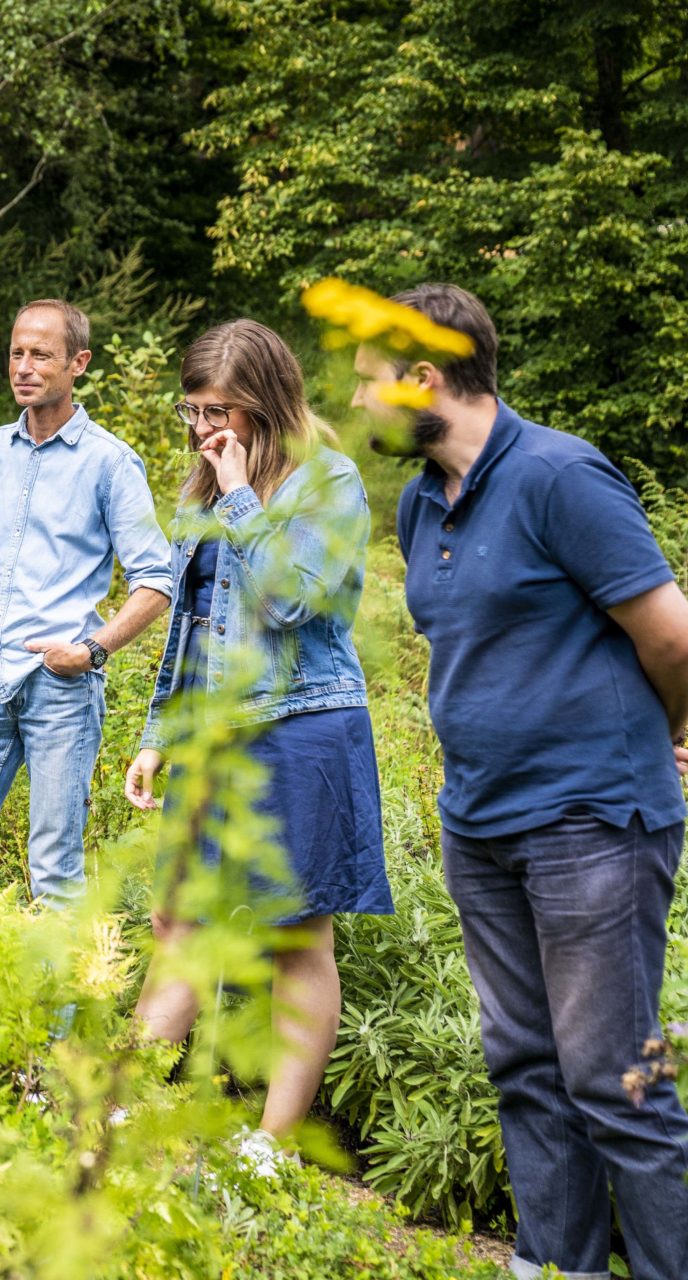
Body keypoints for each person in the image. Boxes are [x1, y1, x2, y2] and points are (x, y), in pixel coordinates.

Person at [360, 283, 688, 1280]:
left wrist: (661, 732)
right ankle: (555, 1265)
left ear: (428, 375)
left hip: (591, 821)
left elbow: (671, 634)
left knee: (617, 1080)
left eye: (376, 377)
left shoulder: (560, 476)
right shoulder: (423, 502)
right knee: (526, 1068)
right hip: (480, 824)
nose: (364, 398)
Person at [124, 319, 393, 1155]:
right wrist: (159, 731)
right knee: (179, 924)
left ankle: (273, 1146)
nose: (204, 431)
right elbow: (191, 629)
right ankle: (117, 1107)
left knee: (295, 935)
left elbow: (290, 603)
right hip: (215, 739)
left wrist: (243, 497)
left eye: (220, 412)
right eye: (193, 411)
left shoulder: (330, 481)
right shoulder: (202, 488)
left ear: (266, 405)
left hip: (303, 730)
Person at [0, 299, 172, 906]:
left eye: (42, 355)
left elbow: (157, 581)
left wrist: (90, 650)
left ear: (78, 364)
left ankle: (59, 1005)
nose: (25, 367)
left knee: (54, 877)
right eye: (17, 353)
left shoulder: (111, 463)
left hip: (59, 687)